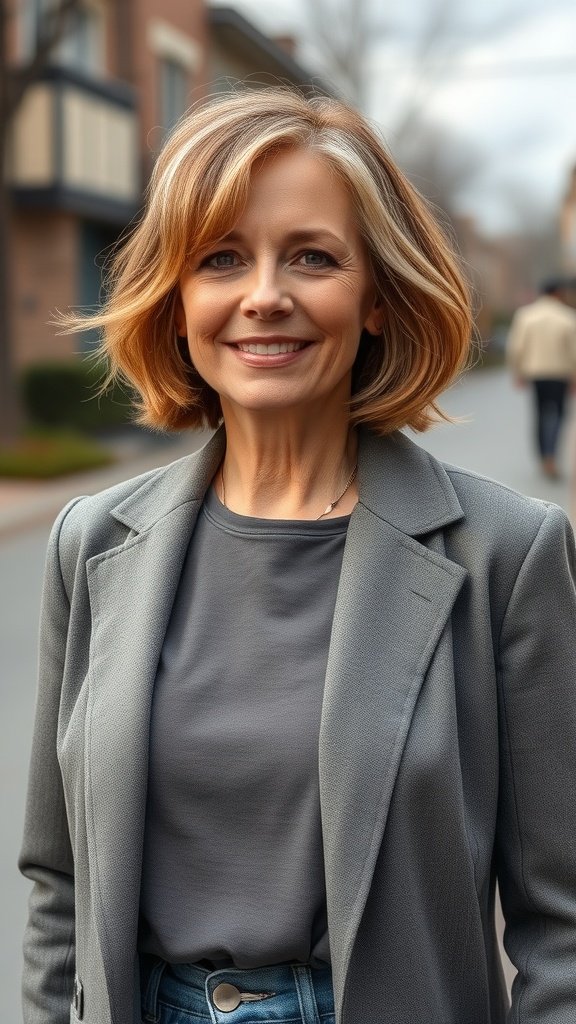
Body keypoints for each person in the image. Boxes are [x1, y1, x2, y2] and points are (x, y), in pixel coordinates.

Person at [19, 88, 576, 1024]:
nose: (263, 294)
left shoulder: (507, 557)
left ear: (377, 301)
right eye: (221, 259)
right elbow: (57, 883)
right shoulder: (92, 543)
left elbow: (562, 924)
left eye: (312, 256)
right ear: (179, 299)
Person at [507, 277, 576, 478]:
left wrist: (517, 372)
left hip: (535, 373)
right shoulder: (568, 317)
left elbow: (516, 347)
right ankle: (551, 455)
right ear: (558, 293)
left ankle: (543, 456)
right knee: (559, 415)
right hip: (560, 374)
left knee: (539, 414)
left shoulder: (526, 315)